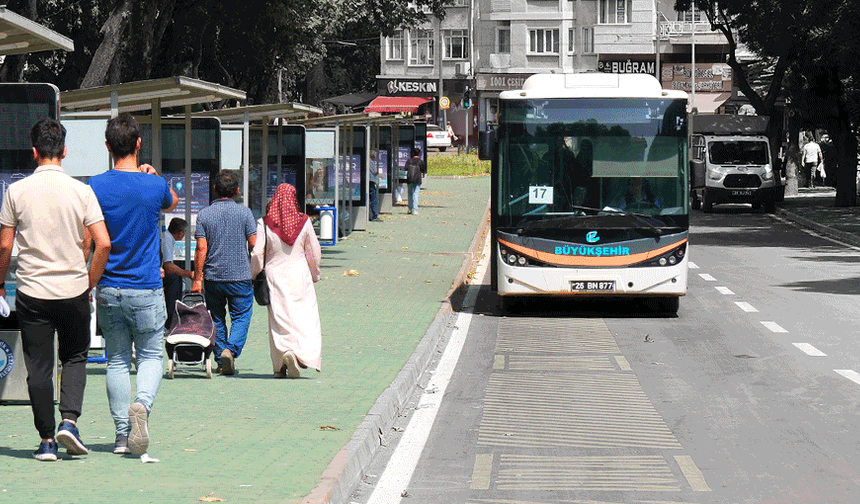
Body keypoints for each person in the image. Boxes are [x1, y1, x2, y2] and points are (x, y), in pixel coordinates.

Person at [0, 118, 111, 462]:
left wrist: (1, 285)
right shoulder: (82, 191)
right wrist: (89, 281)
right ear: (65, 151)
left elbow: (5, 247)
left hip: (32, 291)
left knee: (39, 367)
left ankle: (46, 439)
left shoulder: (16, 192)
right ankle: (69, 421)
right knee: (75, 356)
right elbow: (103, 243)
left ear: (34, 152)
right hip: (73, 289)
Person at [88, 113, 178, 456]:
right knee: (153, 354)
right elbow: (173, 201)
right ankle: (142, 403)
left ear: (108, 146)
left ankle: (122, 436)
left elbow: (90, 239)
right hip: (146, 288)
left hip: (109, 287)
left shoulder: (95, 186)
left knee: (117, 361)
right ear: (138, 144)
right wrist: (155, 173)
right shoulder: (154, 186)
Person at [251, 184, 322, 379]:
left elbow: (257, 253)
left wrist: (255, 274)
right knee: (305, 318)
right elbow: (314, 252)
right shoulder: (304, 221)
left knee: (279, 320)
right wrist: (315, 274)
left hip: (275, 275)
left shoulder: (264, 223)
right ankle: (299, 355)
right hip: (300, 275)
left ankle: (281, 363)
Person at [192, 170, 257, 376]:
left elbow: (201, 248)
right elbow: (254, 243)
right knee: (242, 315)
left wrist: (197, 278)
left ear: (214, 190)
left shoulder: (204, 214)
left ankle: (221, 356)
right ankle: (231, 350)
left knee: (217, 317)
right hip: (240, 275)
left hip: (213, 276)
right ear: (237, 191)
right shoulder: (245, 213)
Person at [162, 217, 193, 329]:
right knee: (174, 278)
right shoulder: (168, 239)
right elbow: (168, 266)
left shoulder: (167, 237)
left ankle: (174, 314)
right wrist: (188, 274)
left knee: (177, 277)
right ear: (180, 233)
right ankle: (171, 317)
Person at [404, 147, 426, 215]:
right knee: (416, 194)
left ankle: (410, 208)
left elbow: (406, 168)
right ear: (419, 154)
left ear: (412, 153)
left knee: (410, 193)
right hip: (417, 179)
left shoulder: (409, 160)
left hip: (410, 178)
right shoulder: (421, 161)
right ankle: (415, 209)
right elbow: (423, 170)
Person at [368, 151, 382, 222]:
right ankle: (374, 216)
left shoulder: (366, 161)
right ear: (372, 156)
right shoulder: (370, 162)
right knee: (374, 199)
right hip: (371, 181)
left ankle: (369, 214)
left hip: (367, 181)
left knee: (369, 198)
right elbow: (375, 171)